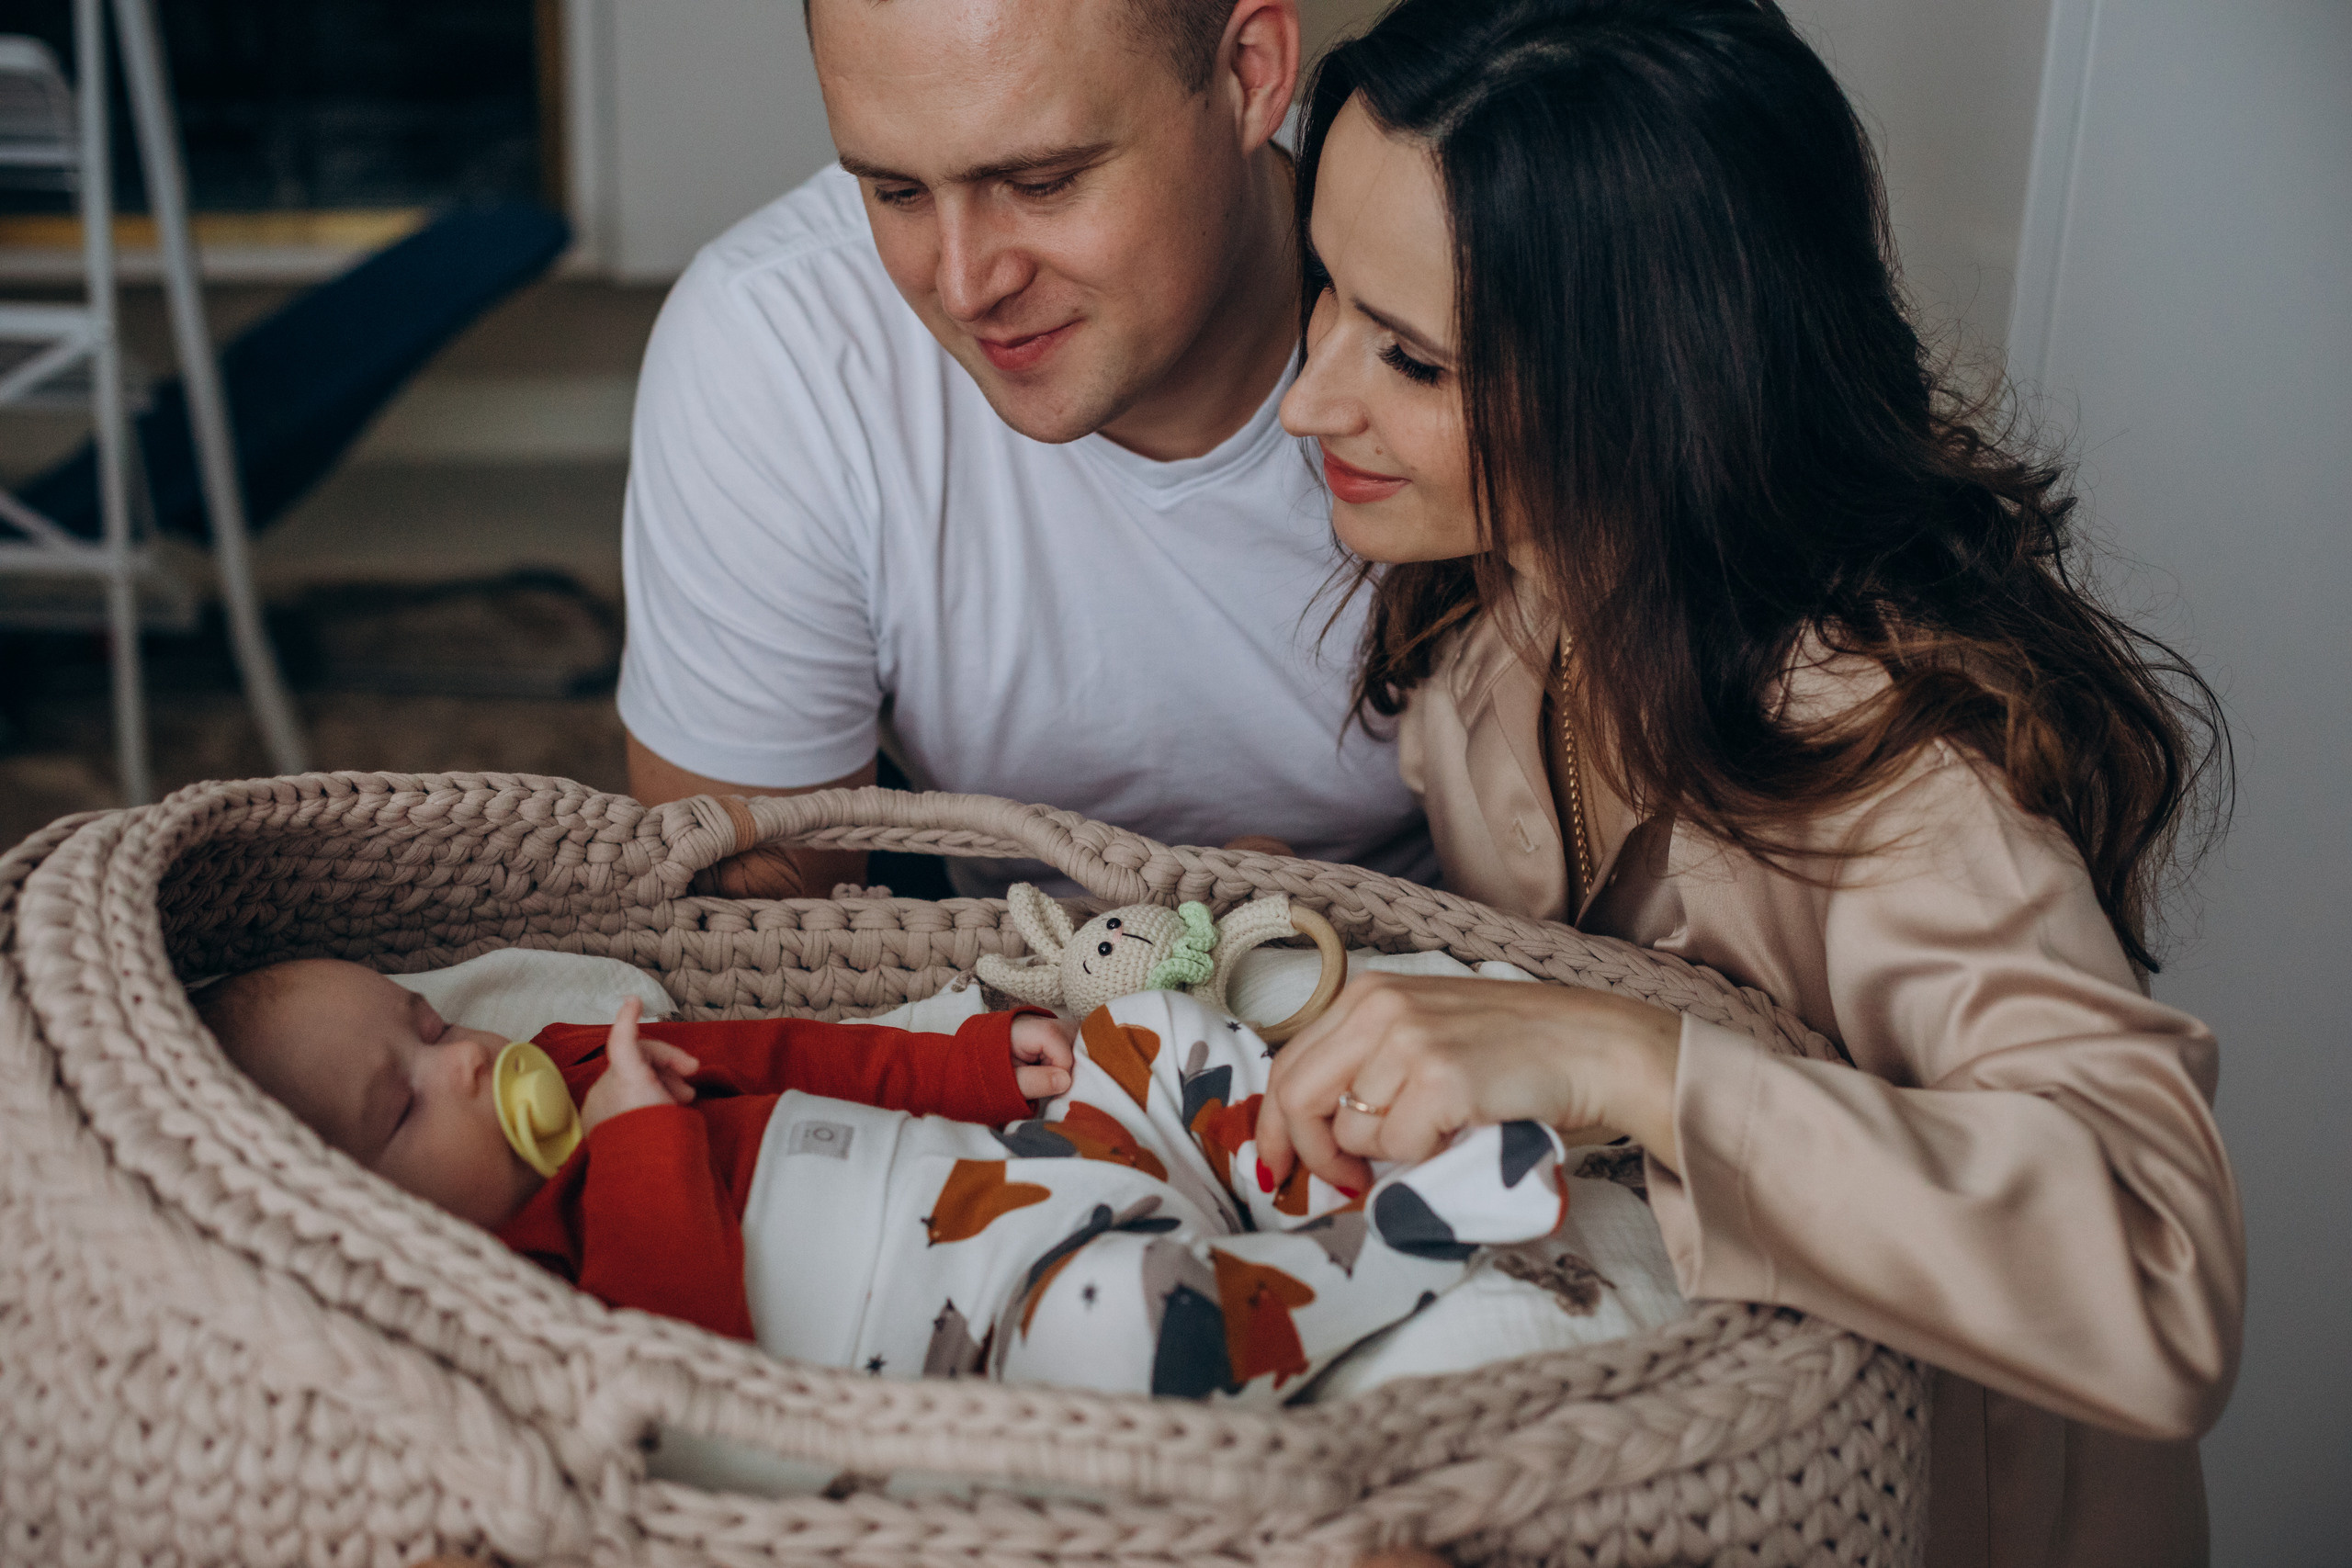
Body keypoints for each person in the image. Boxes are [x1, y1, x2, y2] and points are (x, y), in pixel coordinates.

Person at [1253, 3, 2245, 1564]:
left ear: (1651, 375)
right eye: (1327, 292)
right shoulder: (1494, 600)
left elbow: (2161, 1265)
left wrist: (1632, 1061)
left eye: (1413, 357)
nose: (1311, 398)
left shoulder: (1883, 758)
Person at [618, 0, 1433, 899]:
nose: (965, 288)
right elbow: (738, 952)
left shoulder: (1462, 255)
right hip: (985, 999)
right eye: (896, 192)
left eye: (1041, 182)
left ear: (1247, 74)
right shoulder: (775, 340)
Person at [199, 958, 1568, 1402]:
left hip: (1026, 1161)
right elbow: (687, 1355)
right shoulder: (518, 1297)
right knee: (1140, 1339)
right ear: (355, 1220)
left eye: (429, 1025)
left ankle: (1286, 1156)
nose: (465, 1063)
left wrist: (971, 1070)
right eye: (404, 1100)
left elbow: (782, 1049)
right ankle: (1385, 1248)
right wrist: (635, 1137)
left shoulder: (581, 1054)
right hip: (1007, 1301)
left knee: (1146, 1024)